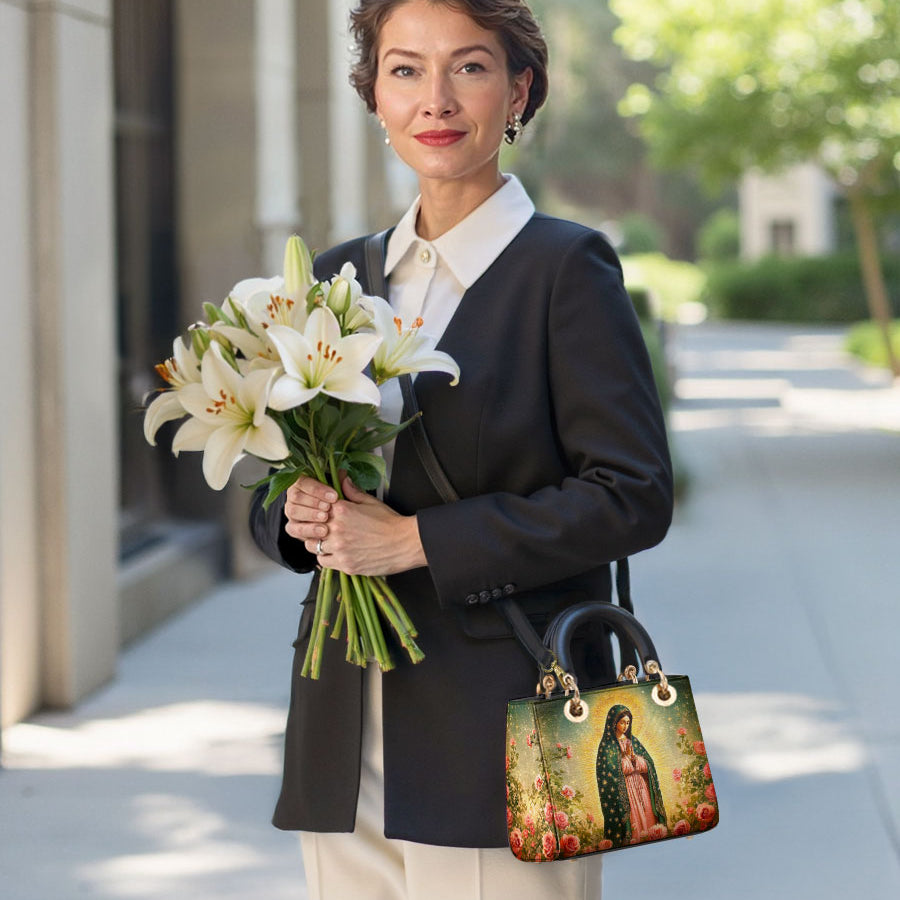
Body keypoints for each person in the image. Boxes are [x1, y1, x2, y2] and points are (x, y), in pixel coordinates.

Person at [249, 0, 673, 896]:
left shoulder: (566, 270)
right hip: (341, 726)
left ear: (519, 90)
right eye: (405, 69)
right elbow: (277, 477)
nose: (435, 98)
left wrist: (415, 543)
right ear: (374, 97)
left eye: (469, 67)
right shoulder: (337, 276)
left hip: (503, 728)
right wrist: (298, 516)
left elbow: (631, 493)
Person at [596, 705, 667, 847]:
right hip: (625, 788)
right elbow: (610, 771)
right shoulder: (607, 746)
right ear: (614, 723)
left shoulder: (633, 741)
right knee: (634, 817)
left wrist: (634, 759)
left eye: (628, 723)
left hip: (641, 786)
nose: (625, 726)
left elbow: (648, 764)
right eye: (622, 722)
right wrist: (625, 760)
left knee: (647, 811)